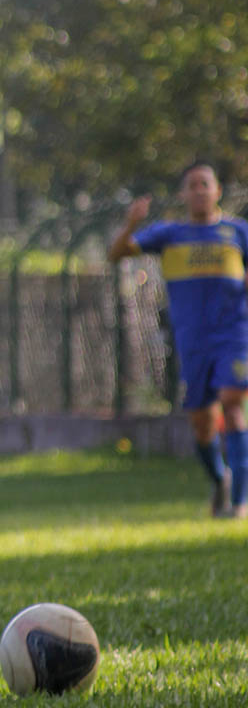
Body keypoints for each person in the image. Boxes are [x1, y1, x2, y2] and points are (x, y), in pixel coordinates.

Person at [108, 161, 248, 519]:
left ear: (217, 191)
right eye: (193, 185)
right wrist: (131, 225)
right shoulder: (169, 234)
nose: (199, 191)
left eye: (205, 184)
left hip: (233, 333)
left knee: (232, 403)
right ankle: (220, 479)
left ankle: (240, 502)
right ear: (183, 194)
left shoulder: (237, 232)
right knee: (201, 422)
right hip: (192, 339)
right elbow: (116, 254)